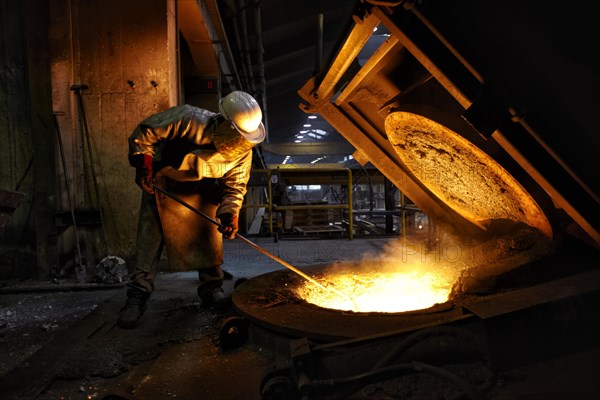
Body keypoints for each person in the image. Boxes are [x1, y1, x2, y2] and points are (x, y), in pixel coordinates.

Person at [118, 91, 265, 329]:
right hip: (162, 185)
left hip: (203, 191)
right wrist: (144, 166)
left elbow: (235, 186)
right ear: (225, 123)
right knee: (150, 240)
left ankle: (211, 289)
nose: (241, 142)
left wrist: (230, 213)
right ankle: (137, 295)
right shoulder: (189, 119)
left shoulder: (242, 152)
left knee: (208, 239)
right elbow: (146, 133)